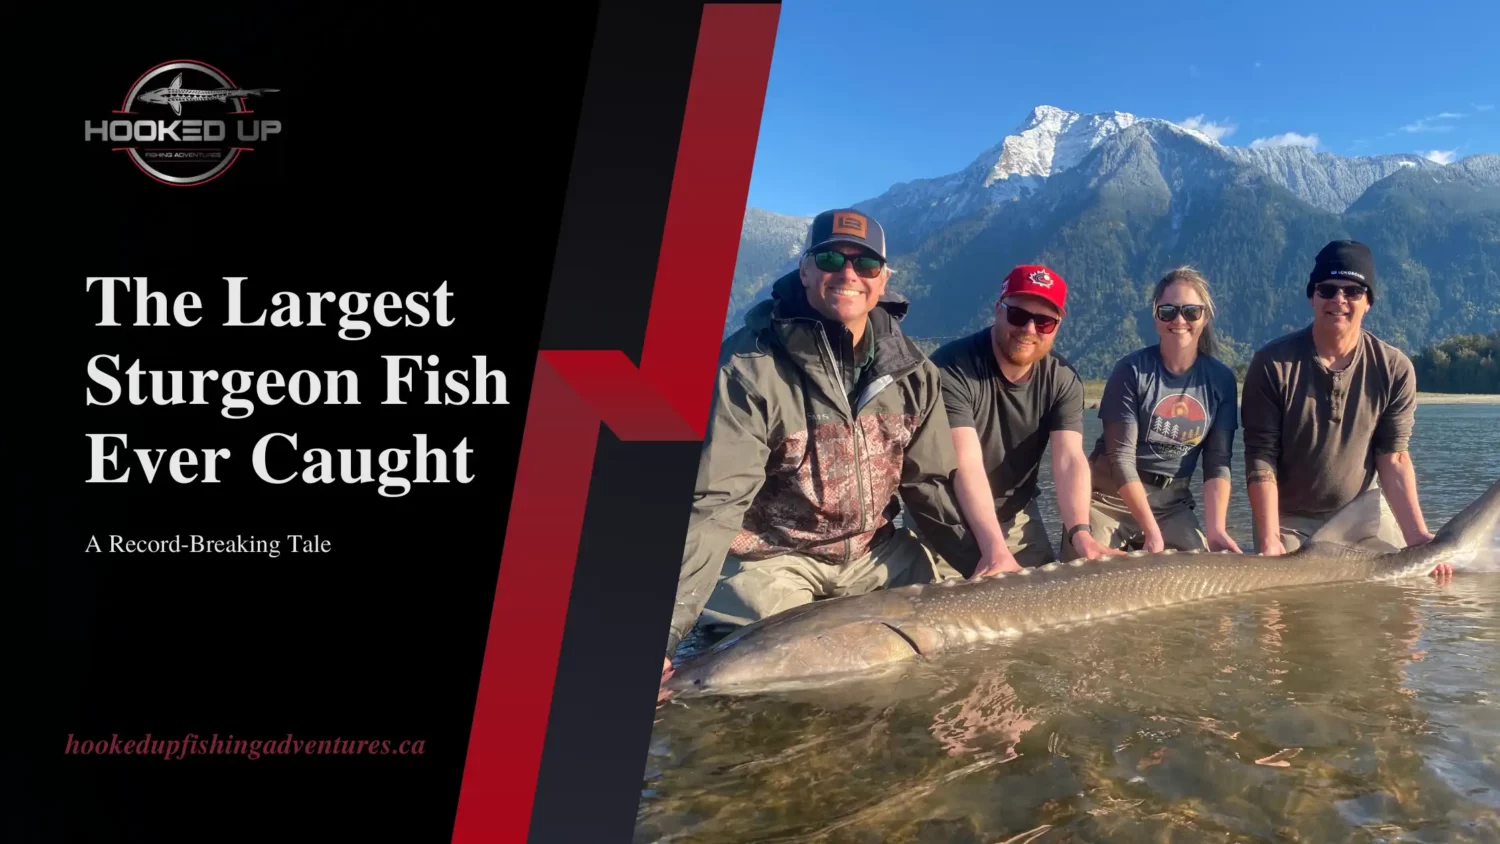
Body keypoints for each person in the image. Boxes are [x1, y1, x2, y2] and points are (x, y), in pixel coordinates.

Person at [663, 209, 972, 675]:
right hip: (772, 559)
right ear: (805, 269)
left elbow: (929, 489)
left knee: (957, 640)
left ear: (883, 280)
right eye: (830, 258)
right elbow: (718, 502)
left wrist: (987, 562)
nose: (848, 274)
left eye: (866, 265)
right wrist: (666, 632)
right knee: (792, 669)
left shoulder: (914, 372)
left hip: (876, 553)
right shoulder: (748, 366)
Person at [1241, 239, 1448, 574]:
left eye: (1353, 291)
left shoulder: (1394, 368)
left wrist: (1418, 536)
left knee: (1415, 582)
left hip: (1361, 513)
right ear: (1312, 297)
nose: (1339, 300)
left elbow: (1393, 457)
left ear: (1368, 302)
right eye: (1327, 289)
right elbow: (1260, 459)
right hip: (1290, 520)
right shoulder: (1271, 363)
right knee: (1281, 600)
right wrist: (1268, 540)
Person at [929, 264, 1121, 576]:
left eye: (1044, 322)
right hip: (946, 516)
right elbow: (964, 462)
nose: (1030, 329)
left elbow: (1070, 460)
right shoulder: (950, 368)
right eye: (1018, 315)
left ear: (1057, 326)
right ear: (997, 311)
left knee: (1052, 606)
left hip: (1015, 516)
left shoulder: (1063, 379)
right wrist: (994, 549)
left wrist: (1080, 533)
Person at [1081, 267, 1243, 556]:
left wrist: (1216, 529)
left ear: (1204, 318)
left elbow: (1217, 462)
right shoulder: (1131, 371)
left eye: (1191, 312)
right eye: (1168, 311)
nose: (1179, 320)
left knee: (1201, 574)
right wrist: (1151, 532)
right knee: (1087, 567)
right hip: (1110, 499)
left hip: (1172, 503)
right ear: (1156, 318)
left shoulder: (1221, 380)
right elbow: (1121, 458)